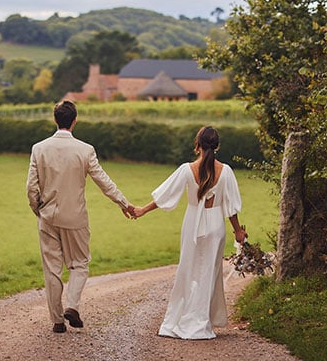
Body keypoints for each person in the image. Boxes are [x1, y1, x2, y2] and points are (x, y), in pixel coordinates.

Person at [26, 100, 135, 334]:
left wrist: (39, 209)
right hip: (75, 218)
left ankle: (57, 321)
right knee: (79, 263)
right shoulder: (85, 150)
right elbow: (103, 180)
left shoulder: (39, 148)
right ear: (75, 121)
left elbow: (31, 188)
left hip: (47, 218)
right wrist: (123, 202)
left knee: (52, 269)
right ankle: (72, 306)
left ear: (55, 120)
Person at [132, 126, 247, 340]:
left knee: (187, 271)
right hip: (215, 226)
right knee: (209, 275)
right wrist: (238, 231)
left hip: (193, 222)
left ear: (197, 146)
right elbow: (231, 208)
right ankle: (200, 322)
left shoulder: (187, 169)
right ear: (217, 146)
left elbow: (165, 196)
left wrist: (142, 210)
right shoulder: (227, 172)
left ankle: (181, 320)